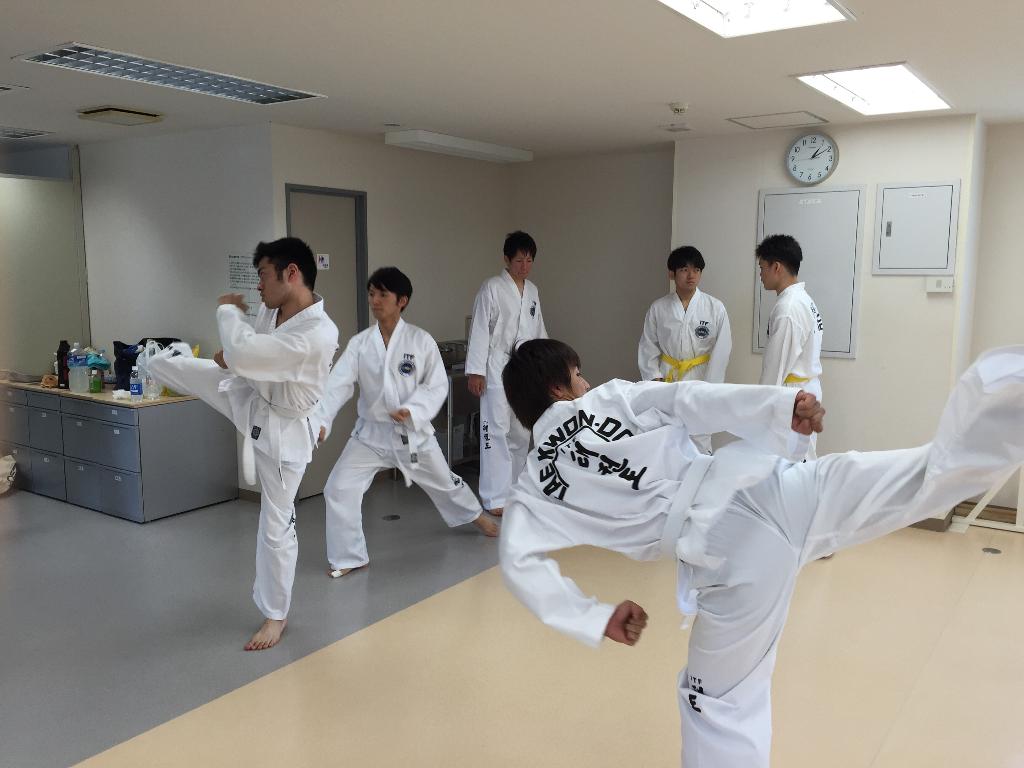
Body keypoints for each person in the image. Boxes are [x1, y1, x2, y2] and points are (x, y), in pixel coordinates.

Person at [498, 338, 1024, 768]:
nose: (586, 382)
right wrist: (779, 408)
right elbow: (689, 399)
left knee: (716, 706)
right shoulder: (612, 398)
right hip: (770, 484)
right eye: (578, 375)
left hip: (725, 557)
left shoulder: (533, 488)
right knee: (916, 477)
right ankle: (1008, 395)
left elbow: (518, 564)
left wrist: (595, 617)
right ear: (558, 387)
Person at [148, 237, 339, 651]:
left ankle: (276, 615)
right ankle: (152, 362)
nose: (258, 285)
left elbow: (250, 354)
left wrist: (228, 314)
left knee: (276, 525)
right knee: (195, 370)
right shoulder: (274, 311)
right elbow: (251, 354)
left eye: (264, 275)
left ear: (292, 273)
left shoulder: (318, 332)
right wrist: (230, 360)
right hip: (251, 397)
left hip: (284, 433)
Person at [313, 267, 498, 579]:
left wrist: (413, 410)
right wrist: (321, 419)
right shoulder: (361, 344)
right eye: (372, 294)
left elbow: (436, 384)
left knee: (444, 483)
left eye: (382, 294)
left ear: (402, 300)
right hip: (370, 436)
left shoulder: (420, 341)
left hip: (412, 435)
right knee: (338, 487)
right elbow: (338, 384)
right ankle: (349, 556)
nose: (374, 300)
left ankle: (476, 515)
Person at [466, 230, 547, 516]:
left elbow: (538, 332)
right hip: (496, 366)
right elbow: (479, 329)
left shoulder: (533, 291)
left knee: (521, 432)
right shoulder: (491, 287)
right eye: (519, 260)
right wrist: (476, 372)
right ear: (506, 259)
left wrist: (544, 367)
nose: (524, 266)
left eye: (529, 260)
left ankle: (515, 490)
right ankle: (494, 497)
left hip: (524, 369)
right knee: (496, 431)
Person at [638, 245, 732, 454]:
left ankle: (700, 472)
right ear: (671, 273)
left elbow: (722, 351)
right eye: (684, 270)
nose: (691, 276)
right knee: (665, 434)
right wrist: (654, 380)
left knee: (699, 435)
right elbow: (648, 346)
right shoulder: (659, 308)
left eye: (696, 270)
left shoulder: (715, 307)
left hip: (700, 378)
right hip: (667, 378)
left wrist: (711, 387)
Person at [757, 234, 823, 459]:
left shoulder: (789, 308)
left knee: (788, 463)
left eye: (762, 267)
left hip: (792, 397)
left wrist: (760, 407)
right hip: (803, 391)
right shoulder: (803, 300)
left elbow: (775, 368)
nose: (760, 274)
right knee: (801, 460)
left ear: (776, 267)